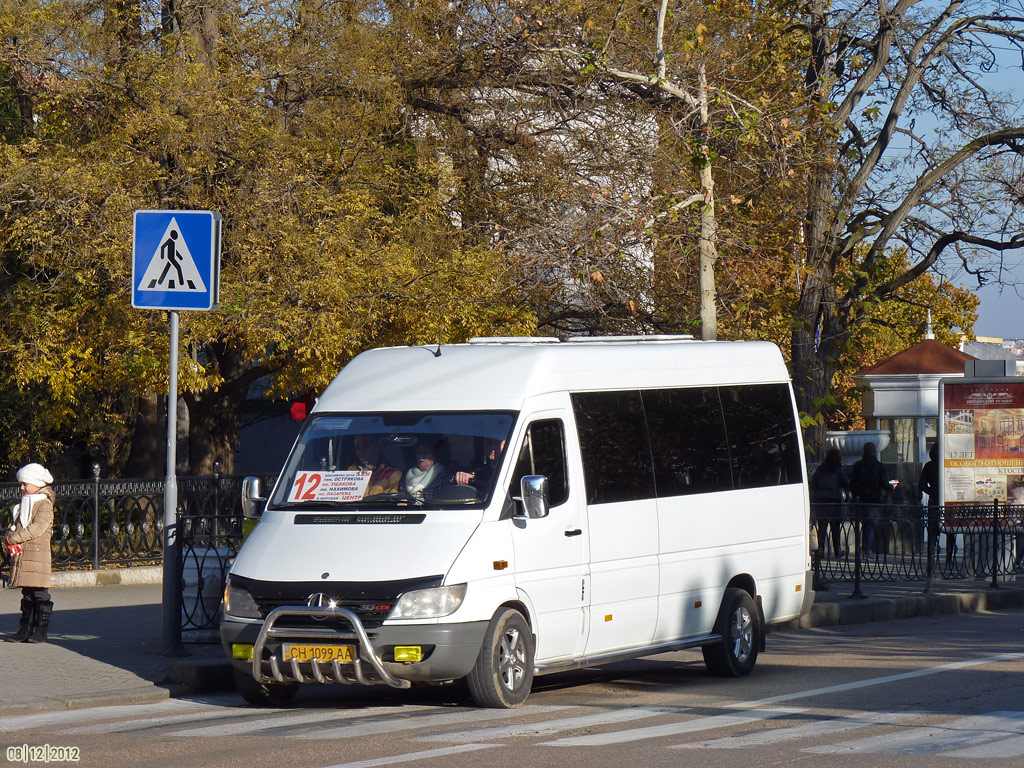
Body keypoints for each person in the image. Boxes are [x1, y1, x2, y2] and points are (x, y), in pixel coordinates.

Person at [5, 463, 55, 644]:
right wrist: (9, 535)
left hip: (38, 556)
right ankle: (25, 627)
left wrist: (15, 538)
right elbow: (17, 525)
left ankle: (41, 629)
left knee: (40, 593)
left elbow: (36, 528)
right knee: (27, 593)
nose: (22, 487)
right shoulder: (24, 503)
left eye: (25, 483)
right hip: (24, 555)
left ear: (36, 483)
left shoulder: (44, 504)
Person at [851, 442, 889, 556]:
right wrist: (891, 488)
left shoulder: (858, 465)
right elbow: (884, 483)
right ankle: (867, 548)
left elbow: (852, 482)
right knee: (870, 523)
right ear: (875, 452)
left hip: (861, 498)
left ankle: (862, 547)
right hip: (874, 498)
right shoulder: (880, 466)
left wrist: (855, 493)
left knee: (862, 523)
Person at [810, 448, 848, 559]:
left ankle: (821, 550)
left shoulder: (820, 469)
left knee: (822, 526)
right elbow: (844, 483)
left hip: (821, 500)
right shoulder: (838, 469)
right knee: (835, 527)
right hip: (834, 500)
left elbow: (813, 484)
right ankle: (837, 550)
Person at [919, 444, 941, 561]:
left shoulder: (929, 466)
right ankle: (949, 555)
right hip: (947, 501)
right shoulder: (946, 465)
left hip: (934, 500)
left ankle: (931, 554)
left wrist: (932, 492)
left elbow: (921, 485)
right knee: (950, 529)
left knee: (932, 530)